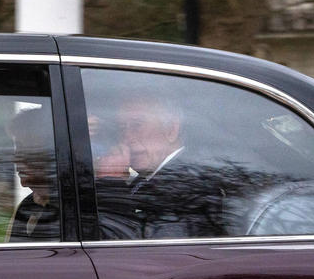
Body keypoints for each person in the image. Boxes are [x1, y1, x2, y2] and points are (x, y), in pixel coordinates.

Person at [93, 94, 229, 239]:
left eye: (137, 125)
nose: (127, 137)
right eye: (122, 128)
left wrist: (111, 182)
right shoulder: (153, 178)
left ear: (171, 129)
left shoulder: (188, 184)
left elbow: (134, 249)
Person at [5, 107, 59, 242]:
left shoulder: (73, 208)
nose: (16, 158)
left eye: (26, 147)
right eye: (18, 146)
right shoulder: (27, 206)